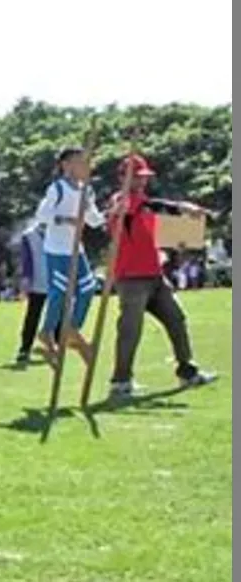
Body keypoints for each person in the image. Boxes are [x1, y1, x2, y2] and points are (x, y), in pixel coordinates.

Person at [106, 154, 218, 398]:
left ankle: (187, 371)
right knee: (130, 330)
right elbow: (149, 207)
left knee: (176, 319)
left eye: (144, 177)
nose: (142, 181)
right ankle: (120, 382)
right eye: (137, 177)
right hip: (131, 277)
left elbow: (156, 231)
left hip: (154, 275)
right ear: (124, 178)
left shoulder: (143, 202)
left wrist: (185, 232)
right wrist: (181, 206)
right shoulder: (121, 201)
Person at [31, 146, 108, 369]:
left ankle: (72, 330)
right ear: (66, 165)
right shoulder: (58, 189)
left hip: (77, 250)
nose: (85, 166)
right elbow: (42, 215)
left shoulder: (87, 191)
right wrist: (66, 220)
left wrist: (111, 213)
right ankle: (46, 332)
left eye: (86, 162)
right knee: (61, 292)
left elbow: (93, 220)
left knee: (87, 288)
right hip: (57, 249)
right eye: (79, 162)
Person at [14, 222, 54, 364]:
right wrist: (25, 283)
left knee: (57, 315)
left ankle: (53, 346)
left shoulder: (57, 232)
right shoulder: (29, 235)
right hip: (38, 283)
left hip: (57, 282)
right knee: (33, 316)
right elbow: (26, 261)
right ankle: (25, 349)